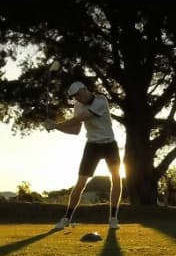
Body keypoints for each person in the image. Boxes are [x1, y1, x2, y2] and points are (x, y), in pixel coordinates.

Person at [45, 81, 122, 230]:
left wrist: (54, 125)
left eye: (78, 95)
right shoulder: (78, 105)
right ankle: (66, 218)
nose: (77, 99)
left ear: (85, 90)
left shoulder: (101, 100)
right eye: (75, 97)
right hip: (92, 146)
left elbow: (78, 119)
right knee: (80, 182)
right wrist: (56, 128)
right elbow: (75, 130)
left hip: (109, 144)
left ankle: (113, 218)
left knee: (116, 179)